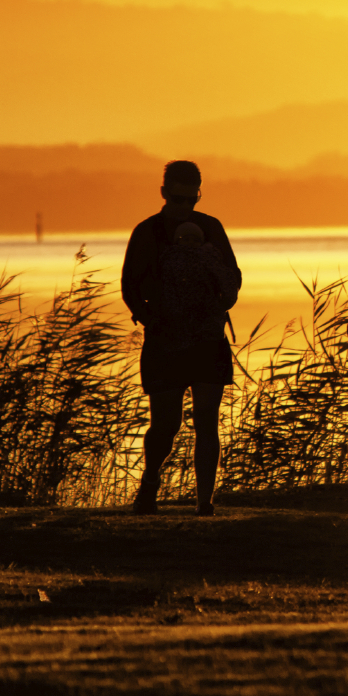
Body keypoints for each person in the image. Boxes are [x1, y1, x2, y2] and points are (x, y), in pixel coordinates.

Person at [121, 160, 241, 516]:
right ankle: (150, 482)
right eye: (178, 198)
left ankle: (205, 502)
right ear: (164, 193)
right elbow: (129, 286)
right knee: (166, 424)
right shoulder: (147, 232)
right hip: (164, 341)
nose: (185, 206)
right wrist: (150, 320)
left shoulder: (211, 228)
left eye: (192, 199)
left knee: (207, 419)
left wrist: (221, 306)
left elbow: (232, 277)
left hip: (207, 339)